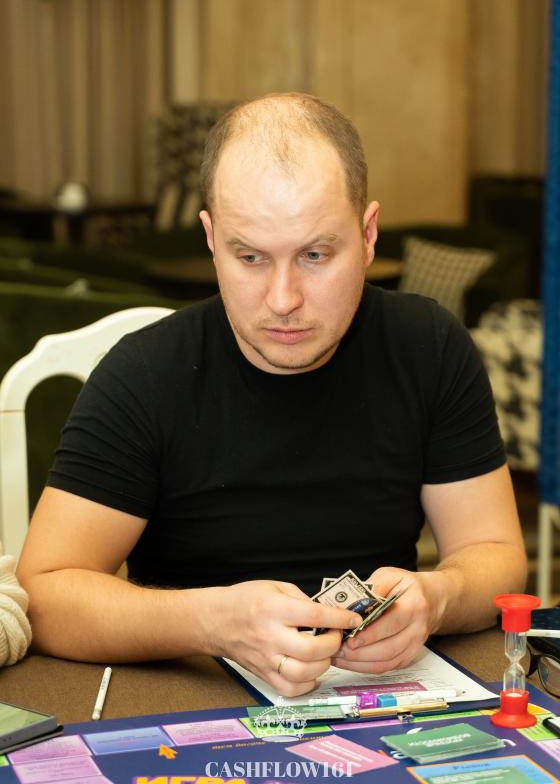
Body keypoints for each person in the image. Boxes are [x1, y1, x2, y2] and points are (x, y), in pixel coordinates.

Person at [17, 92, 527, 698]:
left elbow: (494, 553)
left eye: (315, 255)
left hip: (381, 692)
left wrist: (438, 598)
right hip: (190, 688)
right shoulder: (145, 373)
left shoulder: (429, 347)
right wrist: (212, 622)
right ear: (211, 239)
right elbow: (45, 594)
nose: (284, 299)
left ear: (368, 235)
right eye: (251, 257)